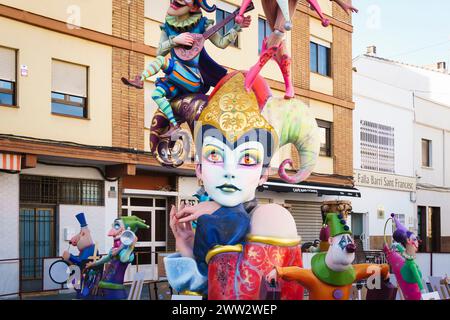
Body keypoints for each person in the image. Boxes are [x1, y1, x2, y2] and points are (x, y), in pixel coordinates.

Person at [123, 0, 251, 137]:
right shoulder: (168, 26)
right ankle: (174, 125)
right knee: (156, 94)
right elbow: (159, 51)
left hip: (192, 79)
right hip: (175, 79)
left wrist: (236, 27)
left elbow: (221, 43)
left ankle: (140, 79)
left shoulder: (202, 24)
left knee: (162, 61)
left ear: (195, 5)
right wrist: (175, 40)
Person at [266, 213, 390, 300]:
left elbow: (370, 268)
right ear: (330, 241)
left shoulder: (351, 273)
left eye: (349, 241)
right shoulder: (314, 278)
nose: (348, 246)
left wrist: (384, 270)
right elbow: (298, 272)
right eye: (343, 241)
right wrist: (278, 271)